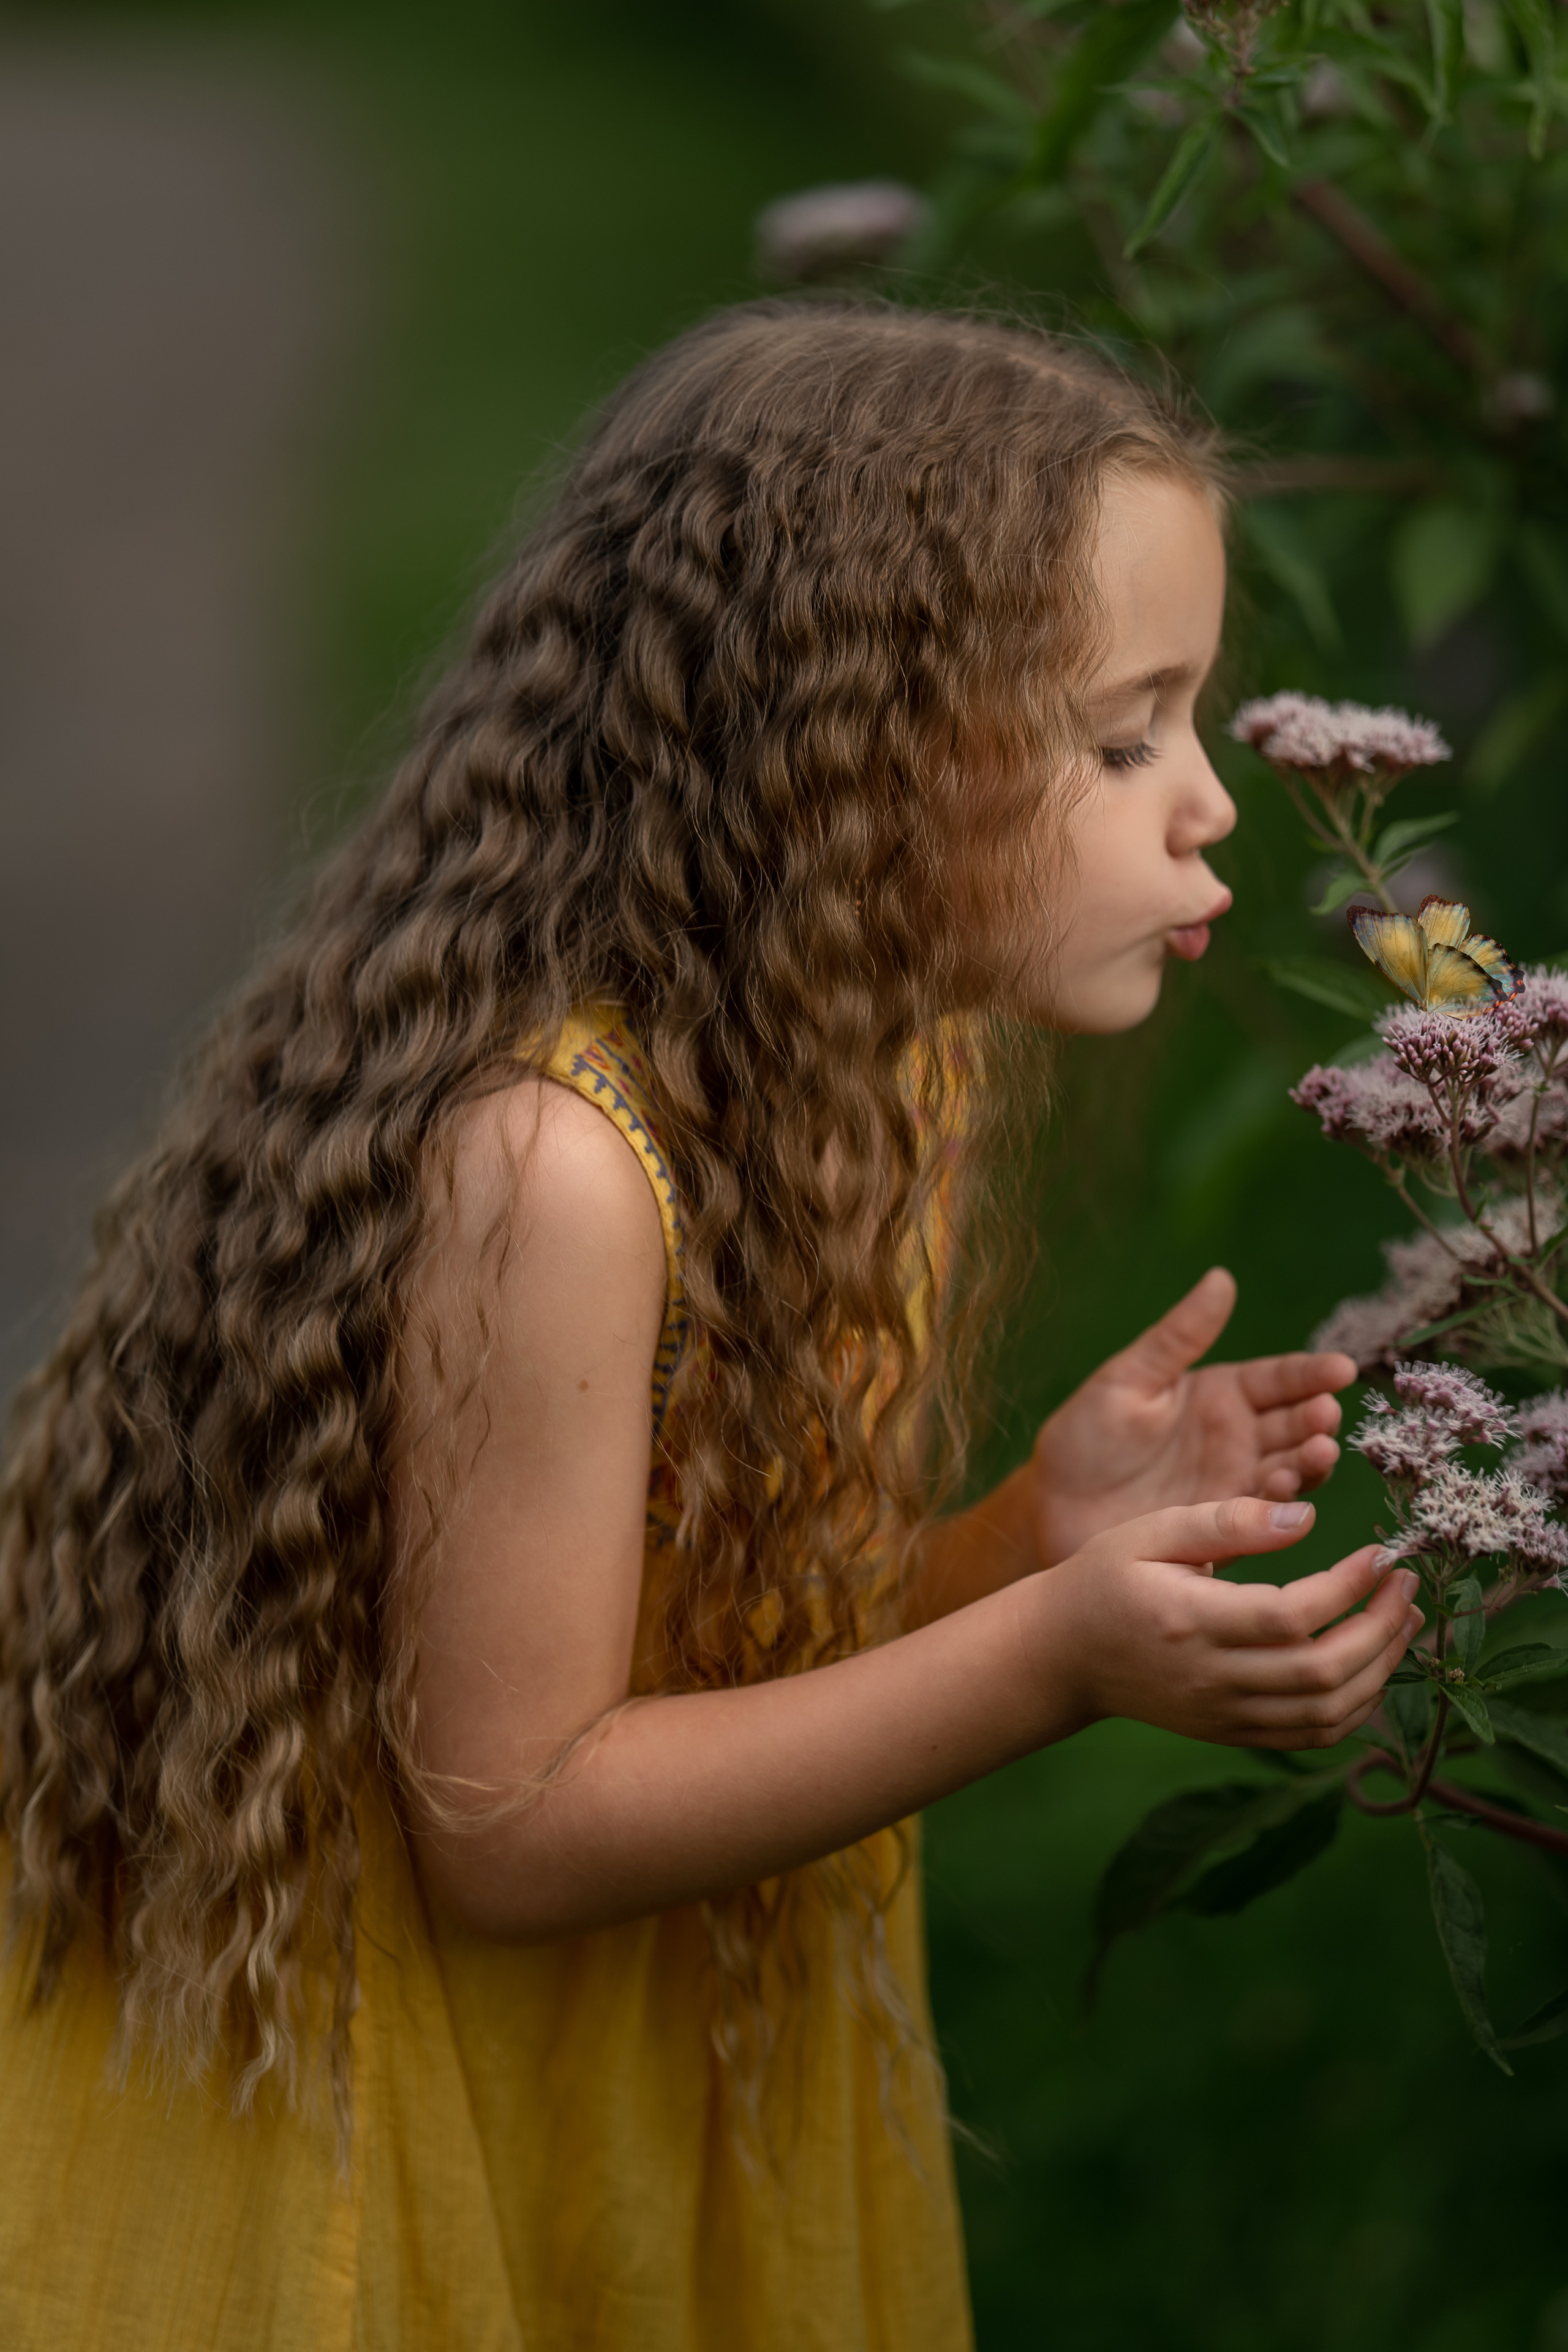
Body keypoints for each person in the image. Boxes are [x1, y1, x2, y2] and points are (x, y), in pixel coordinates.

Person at [0, 300, 1421, 2350]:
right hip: (397, 2103)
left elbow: (723, 1669)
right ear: (843, 754)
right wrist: (1052, 1660)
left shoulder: (887, 1075)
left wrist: (1028, 1544)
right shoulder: (558, 1172)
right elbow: (512, 1820)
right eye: (1122, 737)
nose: (1208, 802)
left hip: (655, 2052)